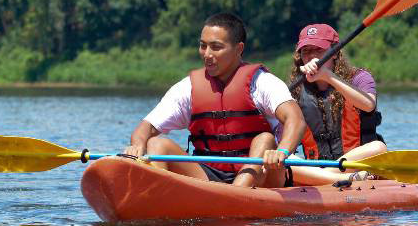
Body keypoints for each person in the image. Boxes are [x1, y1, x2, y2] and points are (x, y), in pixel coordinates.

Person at [124, 13, 305, 188]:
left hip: (262, 175)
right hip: (208, 175)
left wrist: (281, 151)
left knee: (265, 139)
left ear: (239, 49)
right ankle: (158, 198)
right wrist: (137, 146)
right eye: (203, 46)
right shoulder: (188, 88)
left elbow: (295, 120)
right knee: (156, 144)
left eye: (216, 47)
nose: (207, 54)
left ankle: (236, 194)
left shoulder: (262, 83)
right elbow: (146, 128)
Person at [287, 24, 387, 185]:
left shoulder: (360, 78)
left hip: (357, 165)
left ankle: (318, 178)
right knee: (277, 154)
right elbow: (283, 138)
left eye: (318, 50)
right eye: (306, 51)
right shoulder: (295, 91)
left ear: (334, 53)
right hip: (317, 167)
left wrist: (328, 76)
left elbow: (369, 105)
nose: (311, 56)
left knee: (378, 147)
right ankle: (335, 179)